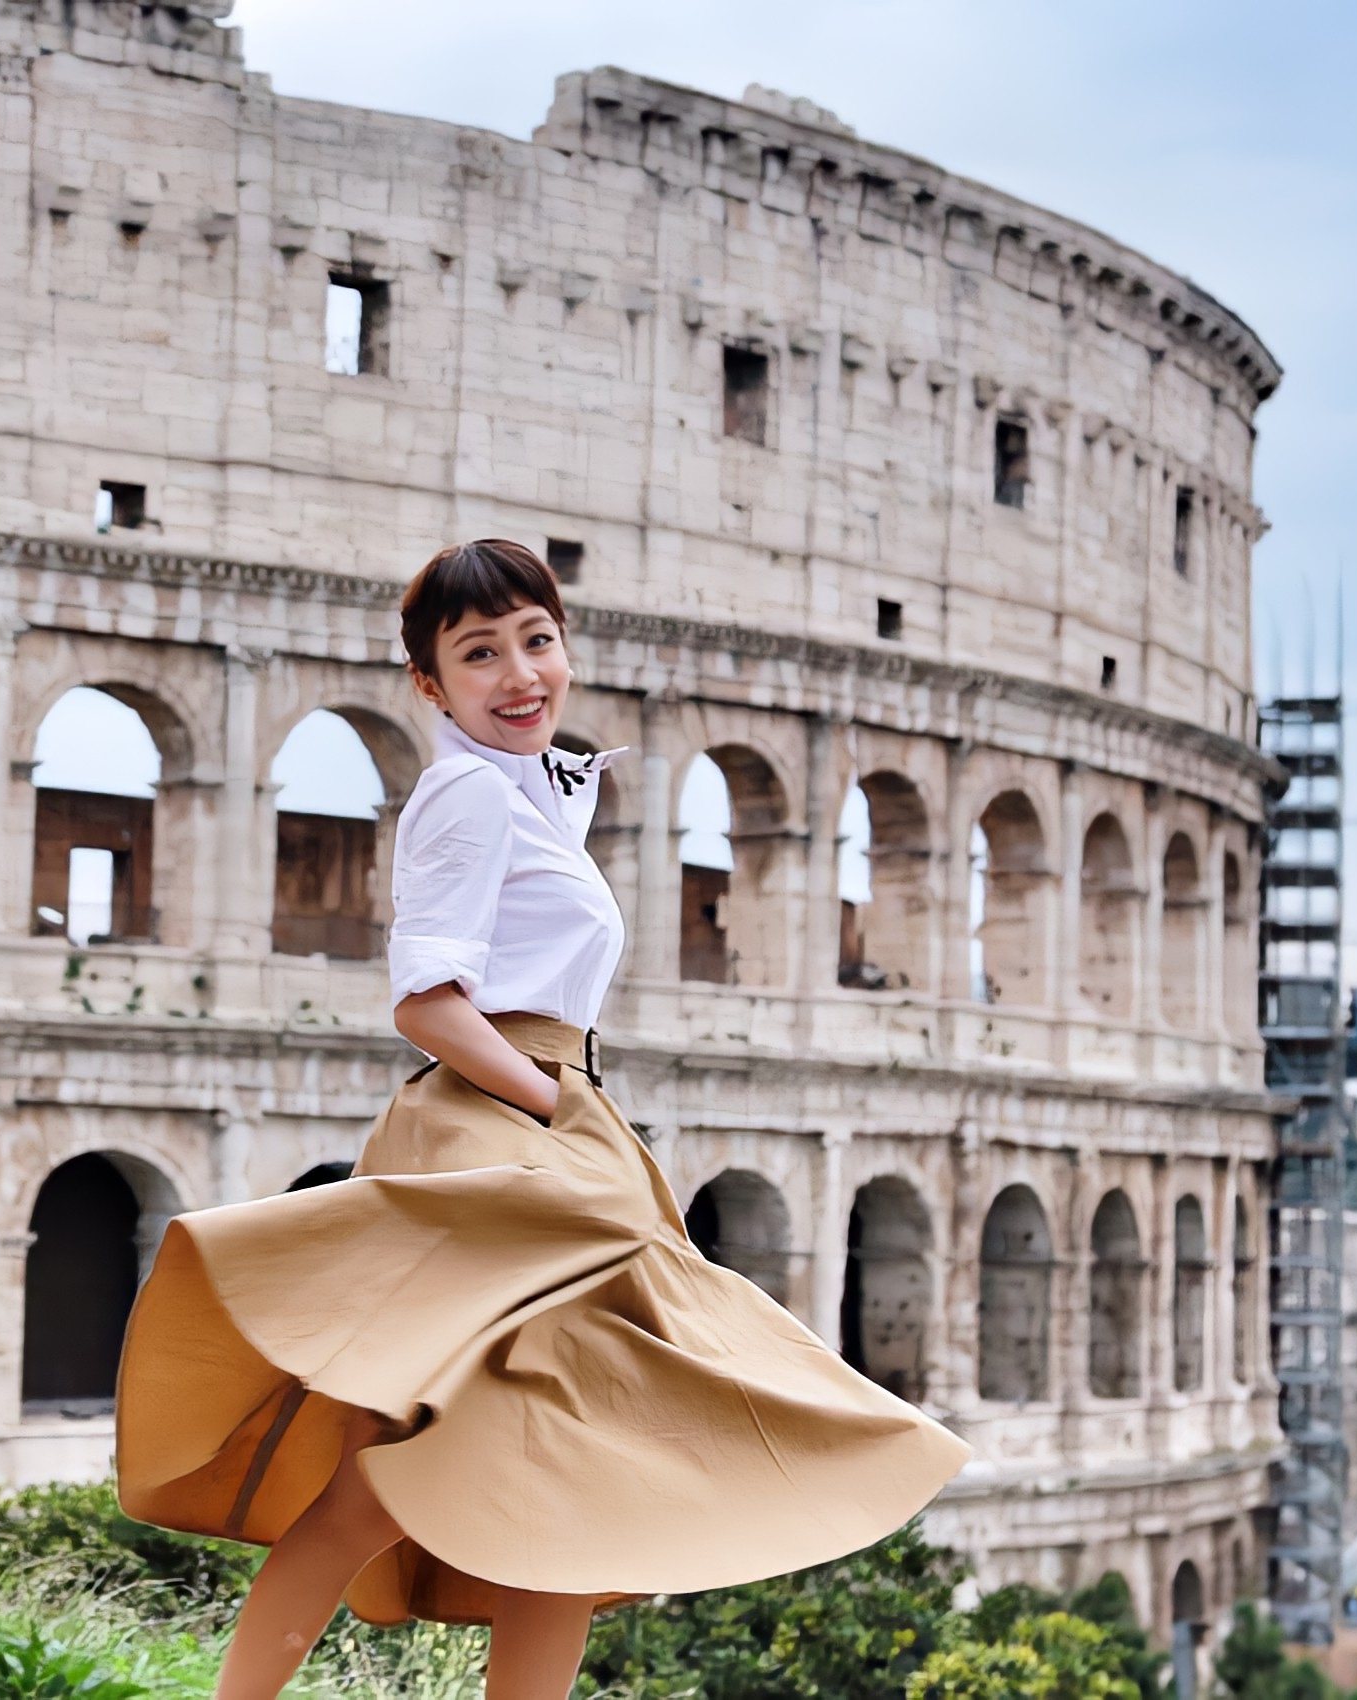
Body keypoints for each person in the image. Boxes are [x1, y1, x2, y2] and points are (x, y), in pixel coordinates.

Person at [116, 539, 971, 1700]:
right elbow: (426, 1002)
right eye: (479, 653)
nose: (519, 673)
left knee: (565, 1481)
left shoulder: (534, 788)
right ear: (431, 683)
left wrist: (571, 1108)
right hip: (507, 1125)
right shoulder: (468, 792)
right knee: (392, 1481)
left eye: (536, 640)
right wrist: (557, 1103)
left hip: (543, 1122)